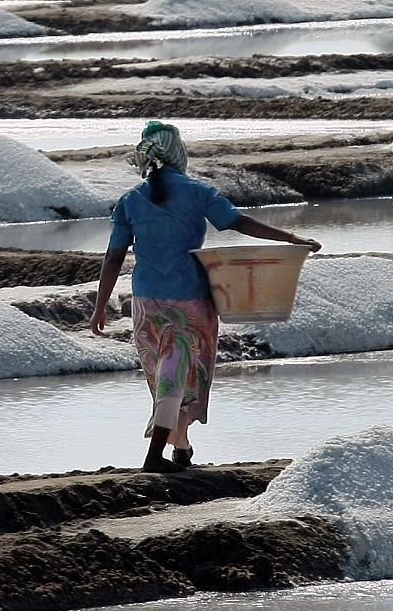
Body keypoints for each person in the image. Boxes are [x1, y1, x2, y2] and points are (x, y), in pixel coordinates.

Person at [89, 122, 321, 473]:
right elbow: (237, 222)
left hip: (146, 304)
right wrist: (290, 238)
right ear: (178, 153)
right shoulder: (196, 192)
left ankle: (181, 445)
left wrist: (100, 307)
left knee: (167, 377)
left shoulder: (131, 200)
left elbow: (113, 257)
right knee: (176, 377)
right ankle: (154, 458)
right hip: (190, 301)